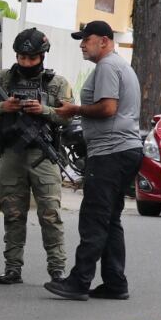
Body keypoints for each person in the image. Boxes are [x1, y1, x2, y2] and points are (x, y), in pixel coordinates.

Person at [45, 20, 143, 302]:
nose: (82, 44)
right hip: (123, 150)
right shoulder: (118, 65)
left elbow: (108, 108)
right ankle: (115, 282)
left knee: (94, 218)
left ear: (104, 41)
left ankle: (78, 281)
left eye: (86, 39)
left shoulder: (108, 67)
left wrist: (74, 109)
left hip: (111, 152)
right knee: (110, 219)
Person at [0, 27, 74, 286]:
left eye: (31, 58)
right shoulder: (2, 79)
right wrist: (4, 106)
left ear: (43, 56)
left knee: (50, 214)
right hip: (11, 154)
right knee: (12, 213)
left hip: (42, 156)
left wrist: (43, 110)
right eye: (21, 57)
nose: (26, 63)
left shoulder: (58, 84)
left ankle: (57, 270)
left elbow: (69, 116)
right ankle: (12, 268)